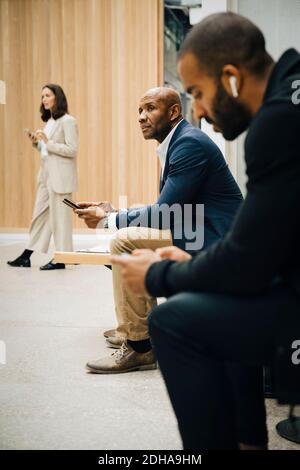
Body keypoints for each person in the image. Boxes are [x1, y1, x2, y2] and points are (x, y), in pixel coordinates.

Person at [111, 12, 300, 449]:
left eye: (197, 93)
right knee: (222, 300)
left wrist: (159, 276)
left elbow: (248, 263)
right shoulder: (290, 93)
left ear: (231, 78)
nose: (198, 110)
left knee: (173, 320)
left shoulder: (274, 126)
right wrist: (197, 263)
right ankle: (249, 442)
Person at [76, 87, 242, 374]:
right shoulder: (178, 142)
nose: (141, 117)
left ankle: (140, 346)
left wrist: (109, 219)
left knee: (125, 240)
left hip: (215, 236)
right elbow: (169, 208)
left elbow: (163, 214)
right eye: (139, 111)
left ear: (174, 112)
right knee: (125, 236)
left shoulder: (189, 144)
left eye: (150, 108)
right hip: (197, 227)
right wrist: (113, 212)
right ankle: (135, 327)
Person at [7, 84, 78, 271]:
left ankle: (62, 258)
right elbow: (48, 151)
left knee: (61, 220)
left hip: (61, 178)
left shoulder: (68, 121)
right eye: (42, 96)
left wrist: (48, 141)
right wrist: (37, 144)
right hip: (45, 175)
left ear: (57, 97)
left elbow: (72, 150)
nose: (44, 99)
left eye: (47, 95)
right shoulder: (51, 121)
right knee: (39, 217)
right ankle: (26, 255)